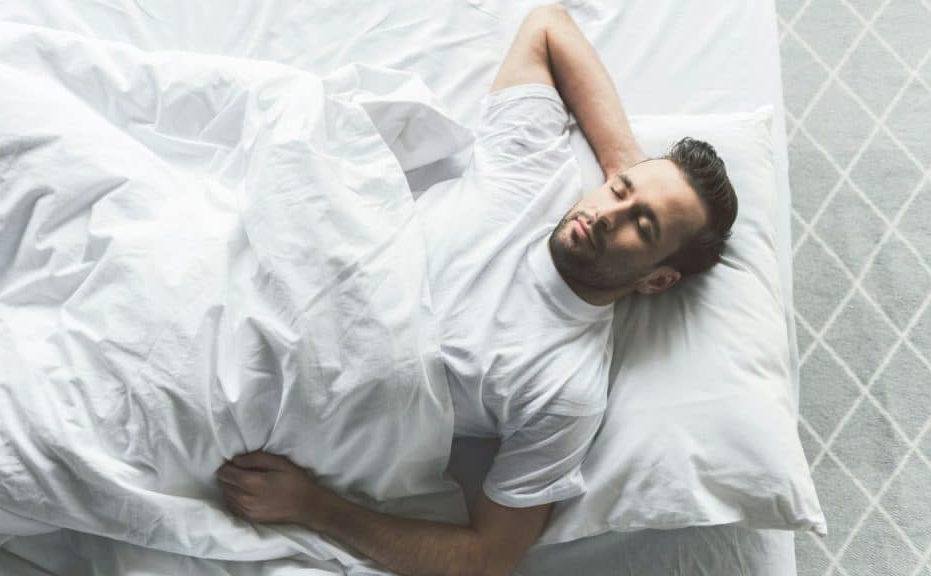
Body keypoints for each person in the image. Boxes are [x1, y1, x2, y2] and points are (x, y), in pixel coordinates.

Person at [215, 4, 738, 575]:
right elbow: (548, 26)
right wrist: (626, 167)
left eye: (644, 225)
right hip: (253, 258)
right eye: (620, 191)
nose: (611, 213)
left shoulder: (565, 388)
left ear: (658, 279)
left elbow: (489, 557)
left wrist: (314, 508)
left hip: (268, 388)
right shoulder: (533, 169)